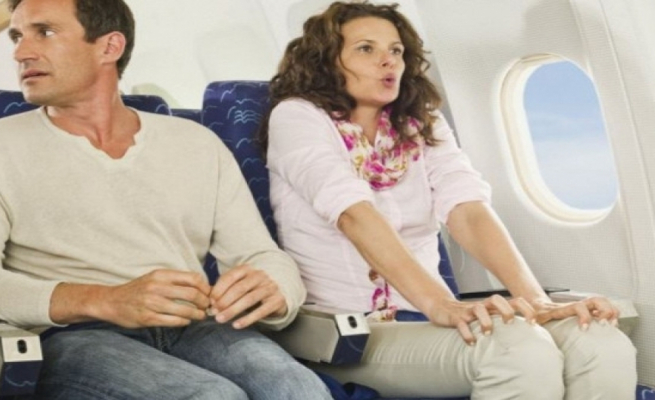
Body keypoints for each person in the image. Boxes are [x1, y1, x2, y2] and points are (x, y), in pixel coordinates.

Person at [0, 0, 333, 399]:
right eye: (17, 37)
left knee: (299, 388)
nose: (21, 52)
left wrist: (275, 288)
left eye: (44, 32)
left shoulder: (196, 143)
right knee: (211, 396)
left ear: (109, 46)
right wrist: (104, 300)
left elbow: (260, 254)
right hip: (72, 336)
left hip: (194, 325)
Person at [260, 1, 637, 399]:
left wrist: (536, 302)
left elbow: (467, 209)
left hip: (424, 318)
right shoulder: (297, 117)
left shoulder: (420, 122)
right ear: (325, 61)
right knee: (517, 352)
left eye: (396, 50)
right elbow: (353, 214)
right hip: (349, 333)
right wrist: (440, 303)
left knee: (598, 342)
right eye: (366, 48)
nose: (388, 61)